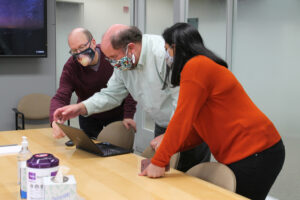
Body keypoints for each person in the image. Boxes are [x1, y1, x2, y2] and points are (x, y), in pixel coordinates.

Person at [139, 23, 285, 200]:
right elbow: (197, 130)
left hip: (256, 150)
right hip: (254, 150)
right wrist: (171, 145)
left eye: (167, 49)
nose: (167, 56)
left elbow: (181, 119)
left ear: (176, 48)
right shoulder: (202, 66)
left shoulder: (195, 67)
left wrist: (159, 161)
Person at [53, 24, 211, 172]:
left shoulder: (163, 54)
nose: (112, 64)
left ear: (131, 48)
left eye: (113, 57)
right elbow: (111, 94)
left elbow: (183, 100)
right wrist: (80, 108)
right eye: (108, 59)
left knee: (191, 178)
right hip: (163, 124)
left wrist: (170, 135)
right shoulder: (124, 62)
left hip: (192, 126)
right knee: (164, 178)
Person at [50, 28, 137, 145]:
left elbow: (129, 87)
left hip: (116, 113)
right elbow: (61, 96)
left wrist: (128, 115)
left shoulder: (111, 56)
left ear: (93, 43)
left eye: (82, 47)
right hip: (88, 115)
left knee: (118, 152)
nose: (79, 53)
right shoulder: (71, 66)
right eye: (74, 50)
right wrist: (55, 121)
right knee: (90, 153)